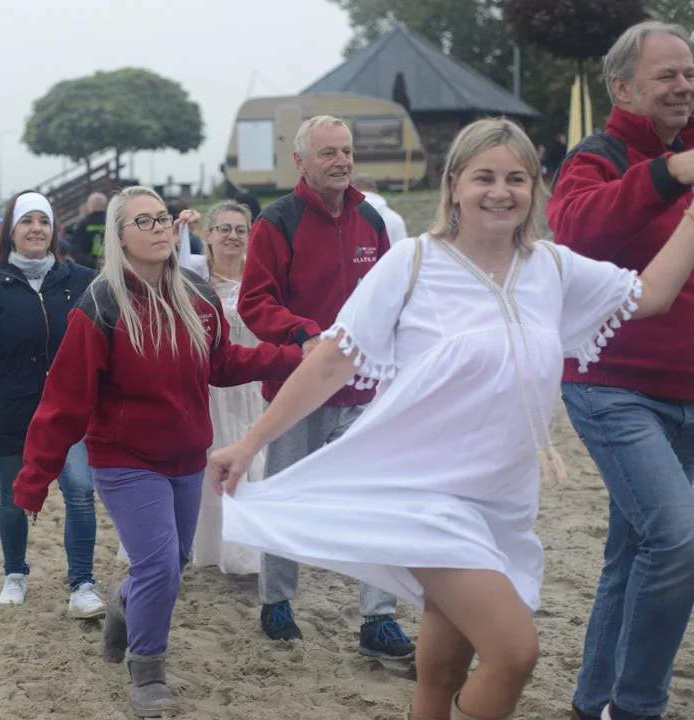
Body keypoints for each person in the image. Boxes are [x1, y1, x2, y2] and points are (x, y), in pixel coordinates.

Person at [211, 117, 694, 720]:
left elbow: (651, 294)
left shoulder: (552, 267)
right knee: (515, 653)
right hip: (425, 497)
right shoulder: (413, 263)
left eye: (517, 178)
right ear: (453, 186)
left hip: (505, 502)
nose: (501, 191)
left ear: (535, 188)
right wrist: (251, 442)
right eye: (484, 176)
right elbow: (332, 359)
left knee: (442, 669)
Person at [11, 186, 301, 717]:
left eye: (163, 218)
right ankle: (146, 672)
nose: (160, 228)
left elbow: (221, 364)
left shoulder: (197, 293)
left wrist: (287, 357)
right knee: (161, 564)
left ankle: (124, 604)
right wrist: (33, 481)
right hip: (124, 459)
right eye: (144, 222)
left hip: (188, 456)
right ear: (119, 237)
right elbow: (63, 403)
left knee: (174, 561)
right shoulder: (100, 304)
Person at [546, 21, 694, 720]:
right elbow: (574, 231)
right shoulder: (596, 156)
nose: (684, 86)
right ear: (624, 87)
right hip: (611, 387)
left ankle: (590, 702)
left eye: (690, 73)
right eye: (667, 75)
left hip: (689, 388)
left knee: (635, 549)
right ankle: (637, 708)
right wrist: (669, 175)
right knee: (680, 536)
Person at [236, 115, 412, 659]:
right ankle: (276, 603)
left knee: (378, 502)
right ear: (301, 161)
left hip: (362, 392)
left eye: (347, 151)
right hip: (297, 392)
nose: (341, 161)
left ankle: (378, 621)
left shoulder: (372, 222)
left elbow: (390, 298)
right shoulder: (277, 222)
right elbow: (254, 301)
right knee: (287, 497)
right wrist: (305, 335)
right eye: (329, 152)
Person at [0, 190, 103, 616]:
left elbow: (109, 338)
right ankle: (15, 572)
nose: (36, 228)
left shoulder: (81, 280)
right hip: (11, 405)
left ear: (54, 231)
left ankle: (83, 583)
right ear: (10, 232)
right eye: (27, 221)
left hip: (68, 410)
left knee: (81, 492)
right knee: (14, 496)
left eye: (43, 222)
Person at [188, 202, 265, 575]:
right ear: (209, 235)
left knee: (255, 466)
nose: (232, 236)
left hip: (252, 388)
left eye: (239, 229)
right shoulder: (195, 280)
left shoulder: (262, 280)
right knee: (211, 465)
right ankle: (212, 547)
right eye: (224, 229)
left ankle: (250, 551)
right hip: (212, 389)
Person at [355, 174, 409, 244]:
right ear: (376, 190)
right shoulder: (395, 218)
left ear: (354, 189)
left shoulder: (344, 216)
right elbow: (403, 249)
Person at [69, 192, 108, 269]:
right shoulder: (114, 222)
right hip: (114, 269)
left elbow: (75, 251)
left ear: (91, 205)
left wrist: (96, 263)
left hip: (89, 271)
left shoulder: (82, 224)